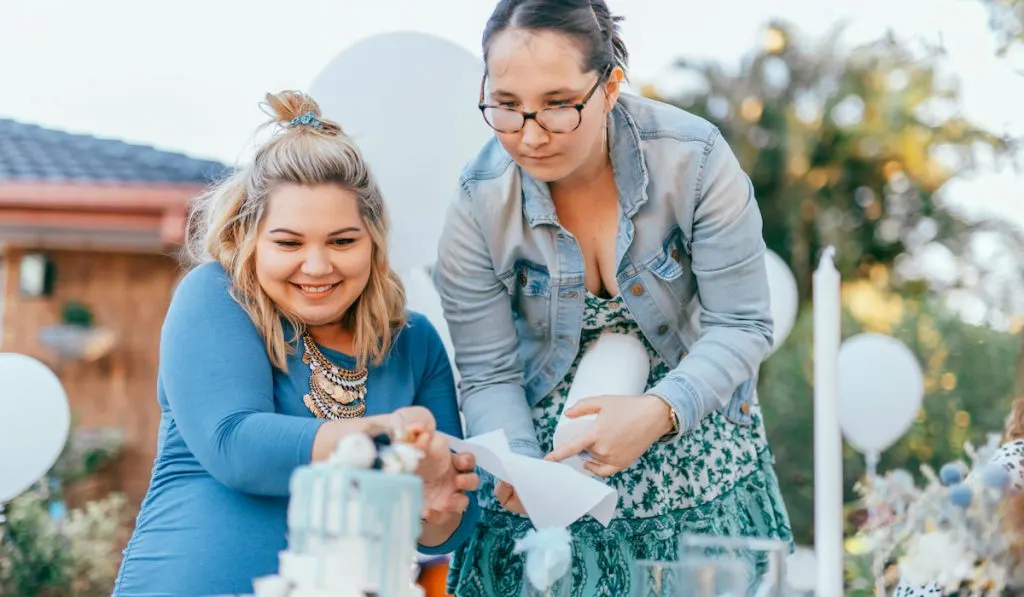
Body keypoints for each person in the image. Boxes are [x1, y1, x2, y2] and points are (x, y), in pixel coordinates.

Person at [432, 1, 792, 594]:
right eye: (506, 106)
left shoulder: (696, 159)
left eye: (557, 105)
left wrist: (658, 414)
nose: (530, 134)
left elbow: (743, 325)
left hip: (691, 427)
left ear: (611, 85)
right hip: (551, 452)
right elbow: (489, 372)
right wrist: (527, 469)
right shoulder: (476, 204)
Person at [113, 91, 479, 596]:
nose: (316, 266)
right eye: (289, 242)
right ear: (248, 236)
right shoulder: (218, 298)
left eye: (342, 241)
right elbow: (235, 445)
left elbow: (448, 523)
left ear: (374, 241)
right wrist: (383, 440)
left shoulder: (414, 343)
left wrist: (436, 500)